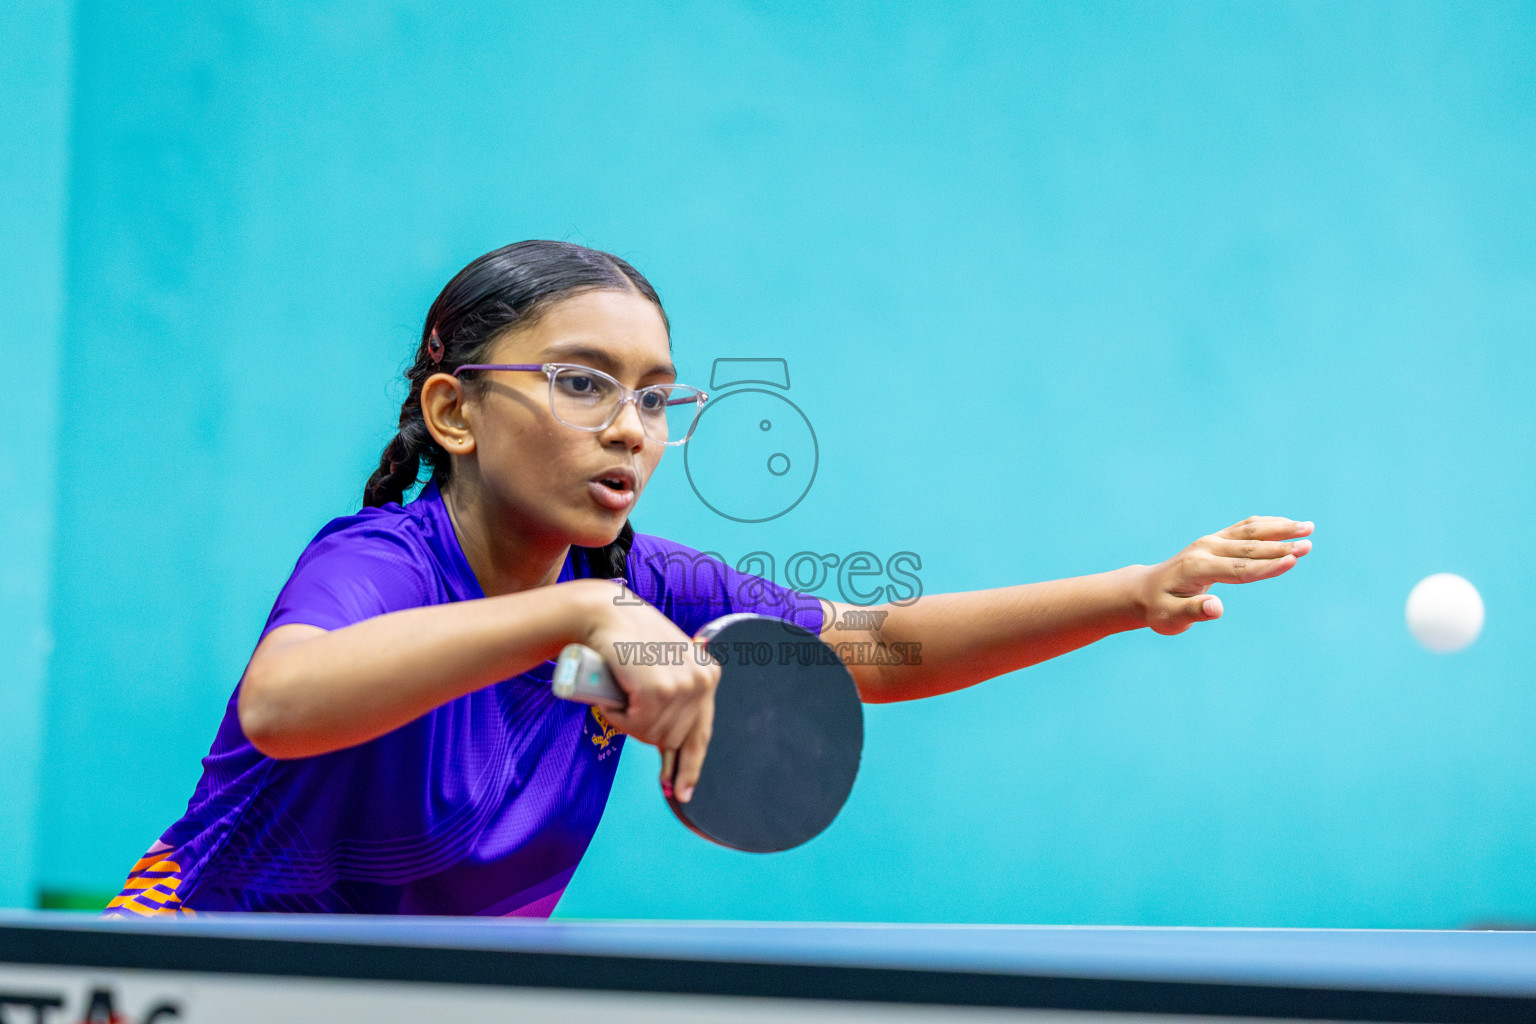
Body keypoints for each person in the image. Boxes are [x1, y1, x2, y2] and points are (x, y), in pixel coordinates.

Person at [106, 240, 1312, 917]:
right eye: (582, 382)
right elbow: (284, 702)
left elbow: (883, 647)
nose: (630, 427)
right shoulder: (383, 562)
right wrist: (580, 615)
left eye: (654, 397)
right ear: (452, 412)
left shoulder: (645, 580)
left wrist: (1130, 590)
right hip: (201, 978)